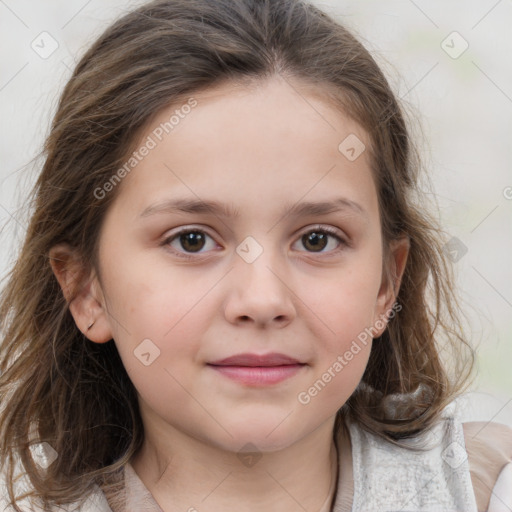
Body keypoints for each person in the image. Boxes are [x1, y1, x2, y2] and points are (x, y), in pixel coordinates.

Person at [0, 0, 510, 511]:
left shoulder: (484, 490)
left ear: (386, 285)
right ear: (86, 290)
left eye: (317, 239)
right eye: (192, 240)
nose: (263, 300)